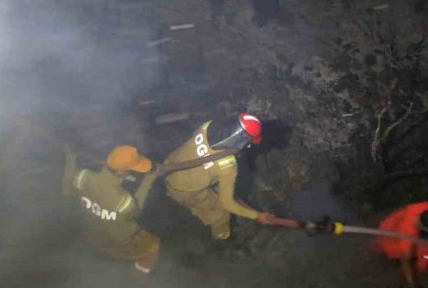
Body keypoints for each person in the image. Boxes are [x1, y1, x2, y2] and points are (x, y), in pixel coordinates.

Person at [162, 112, 292, 242]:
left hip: (171, 164)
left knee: (222, 189)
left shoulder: (208, 125)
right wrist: (257, 215)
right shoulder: (227, 165)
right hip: (184, 190)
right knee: (221, 214)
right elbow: (227, 204)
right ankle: (221, 238)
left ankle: (220, 194)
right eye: (248, 142)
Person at [62, 144, 161, 276]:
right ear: (122, 173)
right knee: (153, 246)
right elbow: (135, 211)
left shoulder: (83, 176)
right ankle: (141, 275)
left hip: (91, 233)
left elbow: (67, 190)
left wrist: (70, 157)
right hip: (119, 243)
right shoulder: (123, 200)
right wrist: (150, 178)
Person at [375, 201, 428, 288]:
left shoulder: (425, 206)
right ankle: (410, 273)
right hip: (388, 242)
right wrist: (412, 286)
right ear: (427, 230)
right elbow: (405, 261)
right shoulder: (408, 235)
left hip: (388, 226)